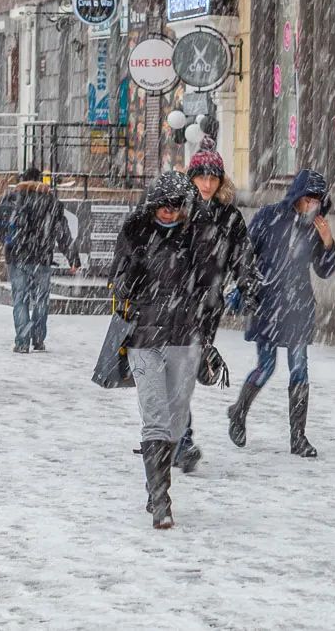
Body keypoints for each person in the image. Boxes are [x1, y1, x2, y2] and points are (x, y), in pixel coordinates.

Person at [111, 171, 207, 530]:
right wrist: (131, 272)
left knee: (177, 420)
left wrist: (206, 324)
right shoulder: (135, 233)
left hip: (184, 338)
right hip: (144, 338)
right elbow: (119, 280)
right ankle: (160, 498)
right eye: (164, 207)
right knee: (155, 415)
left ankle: (157, 484)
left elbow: (207, 285)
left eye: (176, 207)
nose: (169, 213)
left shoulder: (195, 236)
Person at [227, 169, 335, 459]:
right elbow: (246, 254)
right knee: (266, 366)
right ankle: (238, 412)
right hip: (267, 302)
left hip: (298, 307)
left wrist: (328, 242)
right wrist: (247, 287)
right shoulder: (269, 216)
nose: (312, 204)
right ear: (297, 197)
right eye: (308, 198)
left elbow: (325, 271)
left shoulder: (316, 227)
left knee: (299, 367)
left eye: (317, 199)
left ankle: (298, 437)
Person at [174, 137, 253, 473]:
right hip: (176, 301)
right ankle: (181, 439)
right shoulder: (178, 209)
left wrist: (248, 285)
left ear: (221, 181)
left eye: (213, 178)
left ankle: (176, 435)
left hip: (209, 304)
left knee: (188, 371)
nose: (207, 184)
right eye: (201, 177)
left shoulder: (229, 217)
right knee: (178, 369)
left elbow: (243, 256)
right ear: (192, 178)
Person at [0, 166, 80, 354]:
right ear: (41, 180)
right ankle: (38, 339)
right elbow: (62, 232)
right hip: (42, 258)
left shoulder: (11, 198)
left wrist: (6, 239)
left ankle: (22, 342)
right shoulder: (51, 201)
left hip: (16, 256)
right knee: (41, 300)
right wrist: (73, 258)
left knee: (20, 299)